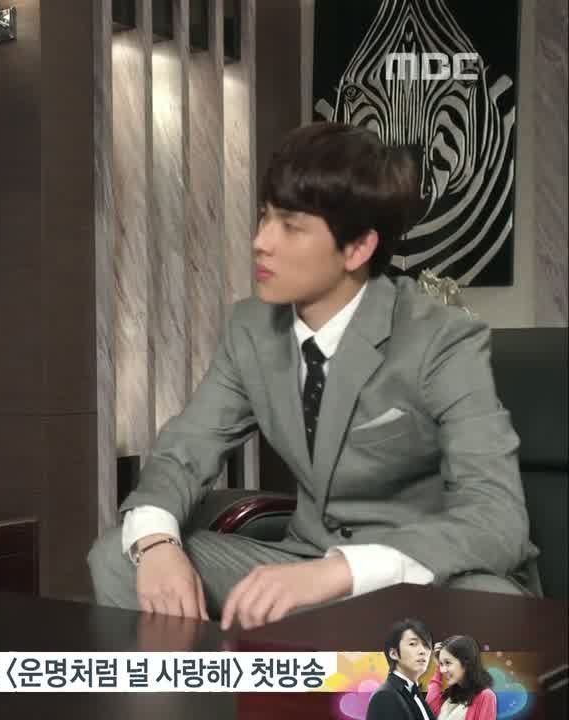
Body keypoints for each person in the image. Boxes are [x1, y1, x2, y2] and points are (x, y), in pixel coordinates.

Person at [86, 121, 540, 630]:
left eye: (291, 226)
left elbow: (497, 519)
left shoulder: (442, 339)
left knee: (491, 607)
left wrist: (343, 572)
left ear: (358, 248)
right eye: (264, 217)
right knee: (120, 557)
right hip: (302, 564)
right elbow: (183, 453)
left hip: (420, 579)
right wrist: (156, 543)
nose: (260, 242)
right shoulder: (251, 330)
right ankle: (198, 683)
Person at [368, 618, 437, 720]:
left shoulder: (415, 694)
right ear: (394, 653)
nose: (423, 651)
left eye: (426, 645)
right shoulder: (385, 696)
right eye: (413, 644)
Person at [428, 636, 498, 720]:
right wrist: (438, 667)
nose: (442, 670)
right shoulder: (450, 695)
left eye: (448, 663)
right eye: (441, 664)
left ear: (466, 662)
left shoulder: (486, 696)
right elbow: (430, 708)